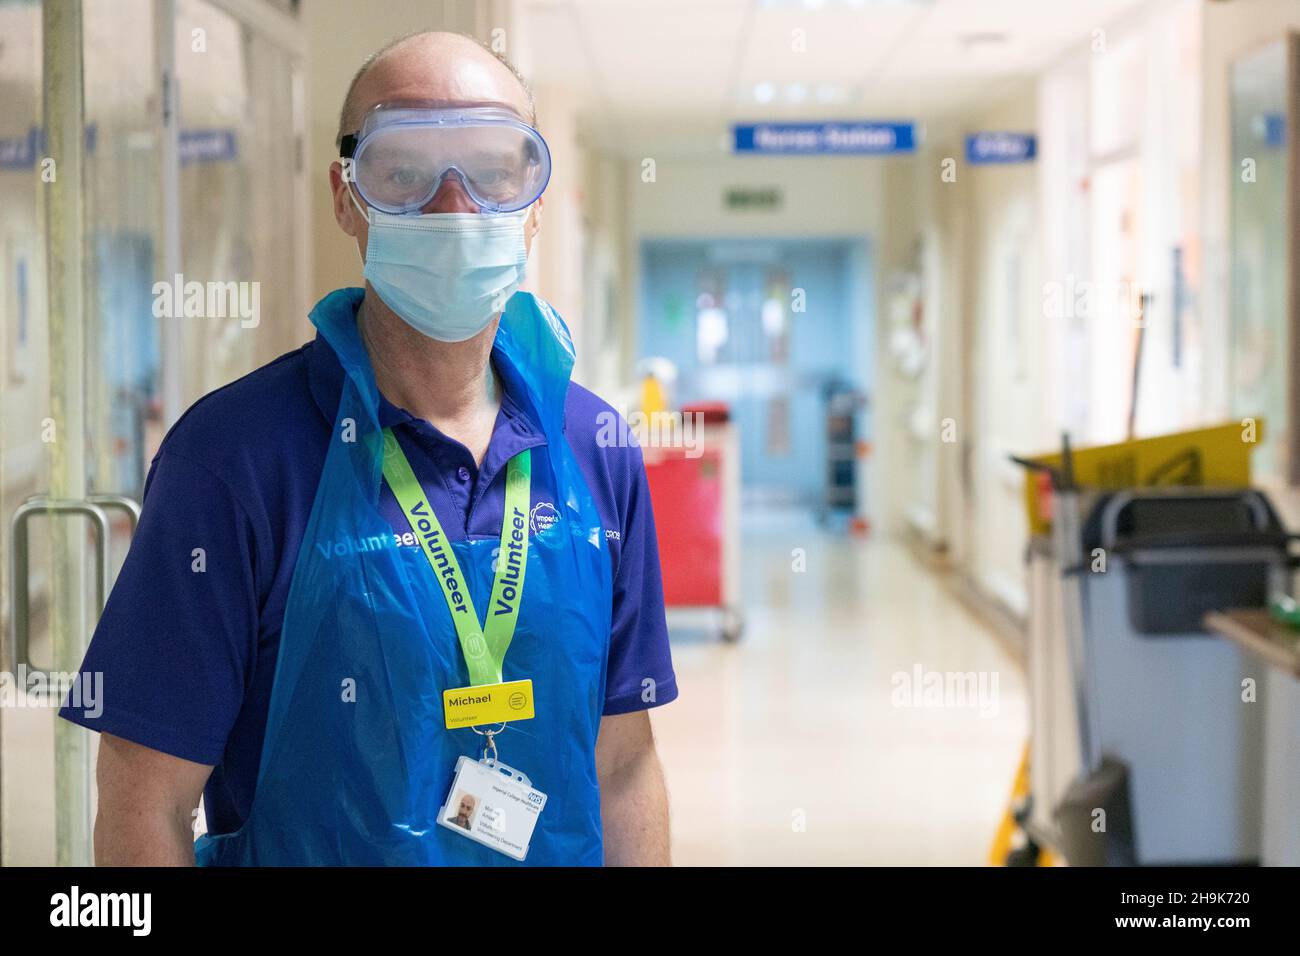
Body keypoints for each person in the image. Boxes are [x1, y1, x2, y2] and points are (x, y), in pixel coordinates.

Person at [60, 30, 677, 866]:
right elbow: (144, 802)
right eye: (405, 166)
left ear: (535, 203)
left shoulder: (595, 447)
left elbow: (625, 763)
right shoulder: (234, 460)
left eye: (495, 167)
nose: (455, 206)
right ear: (346, 195)